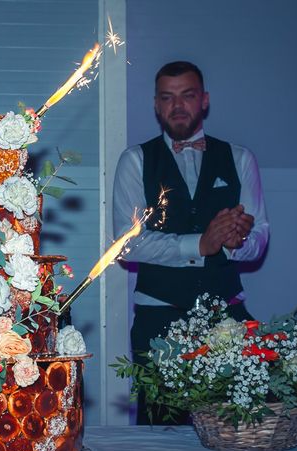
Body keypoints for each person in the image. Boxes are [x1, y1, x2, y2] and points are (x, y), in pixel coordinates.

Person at [112, 61, 269, 424]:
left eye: (187, 95)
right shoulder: (135, 160)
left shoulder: (241, 158)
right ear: (156, 104)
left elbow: (259, 236)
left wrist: (235, 241)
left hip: (228, 316)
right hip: (158, 319)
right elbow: (127, 244)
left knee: (235, 428)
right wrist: (201, 243)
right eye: (168, 97)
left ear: (204, 101)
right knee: (163, 432)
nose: (177, 105)